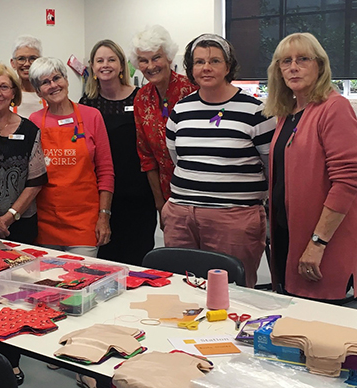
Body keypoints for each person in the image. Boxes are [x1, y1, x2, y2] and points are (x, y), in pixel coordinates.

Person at [164, 34, 275, 288]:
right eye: (199, 61)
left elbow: (271, 168)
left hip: (233, 219)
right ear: (191, 69)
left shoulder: (256, 112)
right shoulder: (181, 110)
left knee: (233, 292)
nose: (206, 67)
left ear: (228, 66)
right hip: (182, 216)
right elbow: (176, 158)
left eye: (215, 61)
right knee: (182, 290)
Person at [264, 32, 357, 301]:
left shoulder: (334, 108)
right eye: (285, 61)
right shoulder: (288, 113)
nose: (293, 67)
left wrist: (318, 243)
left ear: (320, 65)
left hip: (321, 245)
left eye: (303, 59)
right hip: (288, 237)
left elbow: (348, 181)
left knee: (320, 332)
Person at [80, 39, 156, 266]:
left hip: (139, 193)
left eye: (111, 59)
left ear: (122, 66)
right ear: (92, 67)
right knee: (105, 259)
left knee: (138, 256)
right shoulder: (87, 103)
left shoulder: (141, 97)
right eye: (100, 60)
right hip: (102, 195)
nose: (106, 65)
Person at [29, 57, 114, 258]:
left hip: (85, 223)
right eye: (45, 82)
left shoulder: (92, 116)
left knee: (81, 281)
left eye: (57, 78)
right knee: (48, 283)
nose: (53, 85)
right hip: (46, 223)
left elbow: (106, 171)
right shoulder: (34, 121)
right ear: (38, 91)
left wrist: (104, 216)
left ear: (66, 80)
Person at [0, 63, 47, 244]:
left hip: (21, 224)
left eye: (4, 87)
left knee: (21, 272)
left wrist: (9, 217)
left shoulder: (30, 130)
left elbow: (35, 182)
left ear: (13, 93)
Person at [130, 25, 197, 225]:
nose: (150, 66)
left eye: (156, 57)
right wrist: (160, 204)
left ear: (168, 57)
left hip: (202, 193)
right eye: (143, 60)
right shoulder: (141, 98)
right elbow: (146, 157)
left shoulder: (192, 90)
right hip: (169, 196)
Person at [10, 35, 46, 116]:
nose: (27, 64)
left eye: (32, 58)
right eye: (21, 59)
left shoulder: (49, 93)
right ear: (13, 63)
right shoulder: (7, 95)